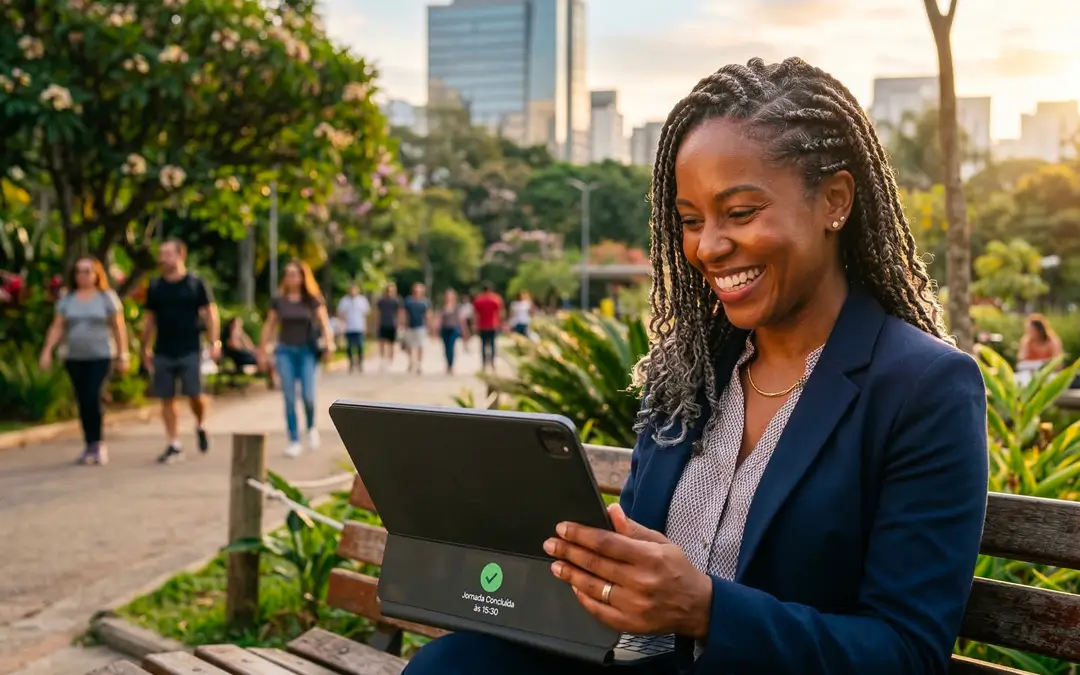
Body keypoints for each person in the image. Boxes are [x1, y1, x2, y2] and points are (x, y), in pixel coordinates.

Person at [403, 57, 989, 675]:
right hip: (634, 661)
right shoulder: (690, 372)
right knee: (452, 664)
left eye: (741, 213)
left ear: (834, 201)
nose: (708, 246)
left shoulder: (923, 388)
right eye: (690, 221)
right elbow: (636, 571)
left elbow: (906, 653)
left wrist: (708, 610)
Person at [39, 257, 129, 465]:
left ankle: (98, 443)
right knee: (82, 399)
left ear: (97, 274)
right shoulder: (68, 298)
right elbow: (58, 326)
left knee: (92, 395)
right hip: (74, 356)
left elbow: (118, 326)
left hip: (101, 355)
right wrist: (47, 350)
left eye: (87, 271)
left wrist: (123, 354)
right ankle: (89, 444)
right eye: (79, 271)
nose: (83, 275)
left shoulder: (106, 297)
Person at [142, 239, 220, 465]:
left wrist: (214, 342)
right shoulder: (156, 286)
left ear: (180, 255)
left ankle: (201, 424)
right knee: (166, 398)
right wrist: (145, 347)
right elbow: (149, 319)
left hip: (190, 348)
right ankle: (174, 443)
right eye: (161, 254)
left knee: (194, 394)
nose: (164, 258)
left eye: (168, 254)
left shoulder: (195, 284)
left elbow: (210, 313)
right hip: (163, 349)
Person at [257, 259, 336, 458]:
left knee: (308, 396)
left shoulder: (312, 299)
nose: (290, 278)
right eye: (288, 274)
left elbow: (324, 323)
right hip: (285, 351)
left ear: (302, 277)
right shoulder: (279, 301)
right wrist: (262, 350)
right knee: (289, 397)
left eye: (294, 274)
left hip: (307, 351)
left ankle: (311, 427)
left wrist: (329, 343)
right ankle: (293, 439)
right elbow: (270, 325)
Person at [337, 284, 371, 373]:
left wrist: (366, 327)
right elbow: (340, 313)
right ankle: (351, 363)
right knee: (349, 347)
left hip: (359, 327)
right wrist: (341, 325)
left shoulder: (362, 300)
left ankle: (360, 362)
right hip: (348, 327)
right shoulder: (344, 301)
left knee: (360, 346)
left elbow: (366, 313)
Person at [472, 282, 504, 372]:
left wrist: (474, 324)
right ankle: (492, 363)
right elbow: (500, 312)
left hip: (482, 326)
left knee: (483, 345)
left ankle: (484, 364)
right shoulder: (496, 299)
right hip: (493, 325)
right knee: (493, 345)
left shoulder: (478, 300)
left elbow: (475, 314)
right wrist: (501, 323)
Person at [402, 282, 432, 375]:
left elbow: (428, 314)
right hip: (410, 326)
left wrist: (430, 325)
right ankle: (411, 361)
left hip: (421, 326)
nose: (417, 293)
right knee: (409, 346)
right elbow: (404, 313)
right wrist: (402, 323)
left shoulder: (425, 302)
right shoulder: (408, 301)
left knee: (420, 346)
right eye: (416, 291)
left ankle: (419, 364)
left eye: (419, 291)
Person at [436, 288, 467, 374]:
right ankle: (448, 363)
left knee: (451, 347)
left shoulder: (457, 307)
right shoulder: (442, 307)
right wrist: (436, 329)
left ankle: (451, 364)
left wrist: (463, 330)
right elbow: (439, 319)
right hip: (445, 329)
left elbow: (461, 320)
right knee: (446, 347)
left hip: (454, 329)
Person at [375, 282, 403, 372]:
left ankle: (390, 361)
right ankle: (383, 360)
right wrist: (376, 324)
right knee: (382, 343)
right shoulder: (381, 301)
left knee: (391, 345)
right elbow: (378, 313)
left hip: (392, 324)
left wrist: (400, 323)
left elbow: (399, 313)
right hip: (383, 324)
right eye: (388, 291)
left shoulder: (396, 301)